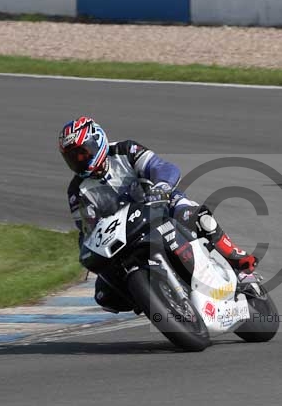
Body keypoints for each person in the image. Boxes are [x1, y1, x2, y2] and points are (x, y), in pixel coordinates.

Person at [59, 116, 257, 312]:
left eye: (82, 153)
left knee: (195, 217)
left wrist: (161, 187)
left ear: (97, 141)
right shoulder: (76, 191)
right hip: (127, 233)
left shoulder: (125, 150)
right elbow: (87, 228)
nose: (79, 160)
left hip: (161, 205)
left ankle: (238, 265)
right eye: (72, 158)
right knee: (105, 295)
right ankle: (154, 299)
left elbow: (162, 167)